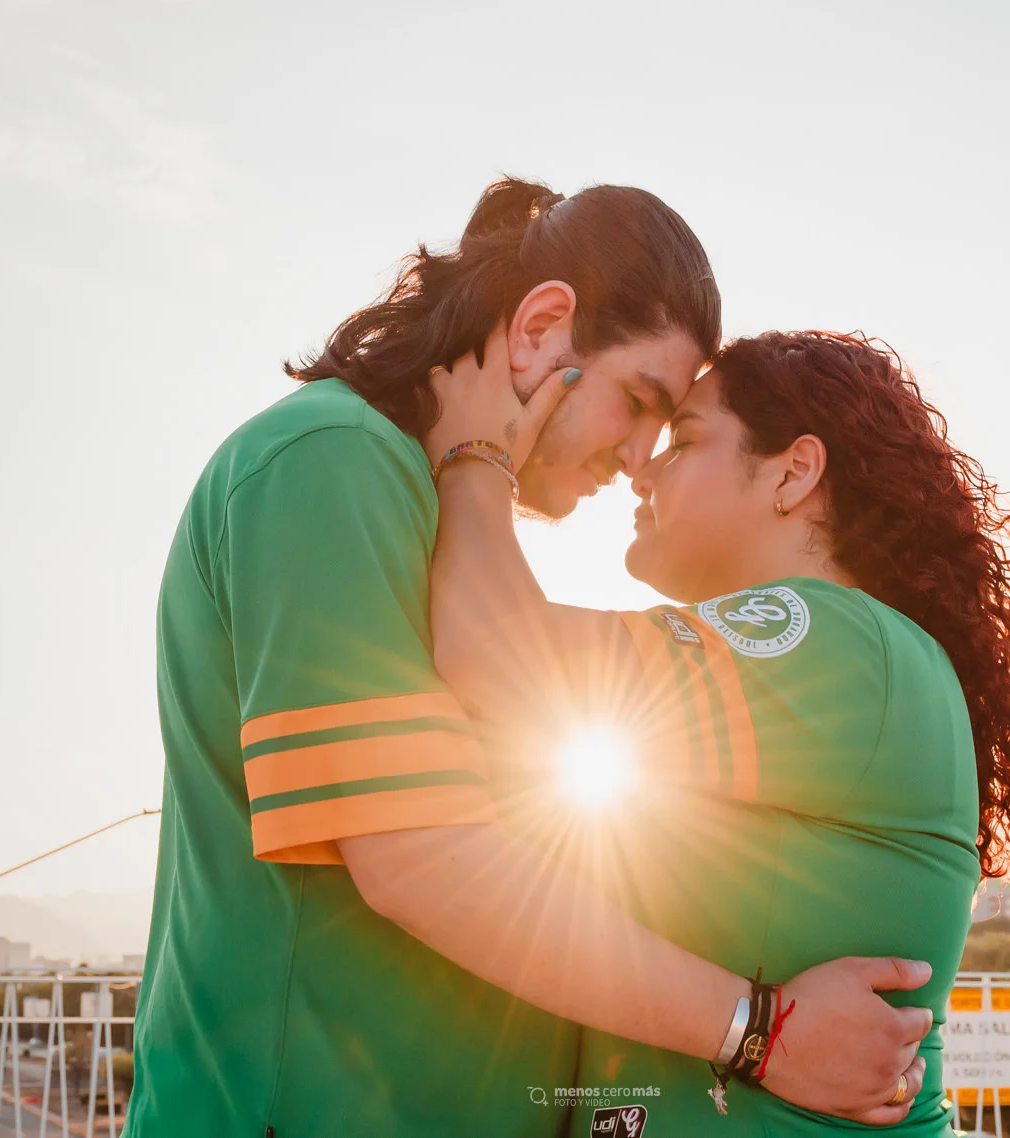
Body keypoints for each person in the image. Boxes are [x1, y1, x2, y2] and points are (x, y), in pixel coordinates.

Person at [126, 181, 938, 1138]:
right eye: (640, 402)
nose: (641, 459)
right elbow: (419, 860)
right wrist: (758, 1033)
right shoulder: (329, 462)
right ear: (543, 328)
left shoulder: (433, 510)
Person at [427, 329, 1010, 1133]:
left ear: (794, 473)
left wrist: (477, 453)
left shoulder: (837, 640)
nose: (641, 468)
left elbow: (496, 656)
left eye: (685, 439)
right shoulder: (826, 668)